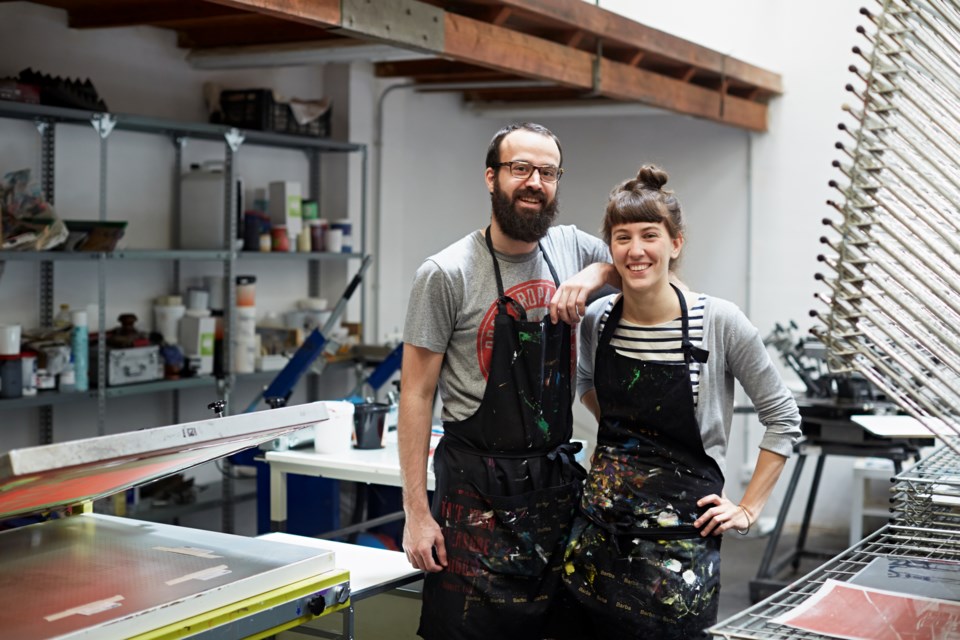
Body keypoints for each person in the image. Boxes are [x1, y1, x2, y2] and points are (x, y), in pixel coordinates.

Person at [561, 164, 802, 639]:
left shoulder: (719, 322)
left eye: (650, 235)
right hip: (595, 539)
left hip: (677, 556)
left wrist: (748, 510)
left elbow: (783, 418)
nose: (636, 250)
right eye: (622, 237)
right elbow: (586, 380)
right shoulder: (597, 320)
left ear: (675, 243)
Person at [398, 122, 618, 640]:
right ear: (492, 178)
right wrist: (415, 513)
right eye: (521, 168)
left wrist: (594, 275)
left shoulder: (569, 249)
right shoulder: (446, 272)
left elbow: (640, 262)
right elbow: (416, 393)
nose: (534, 182)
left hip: (553, 489)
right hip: (474, 496)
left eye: (547, 171)